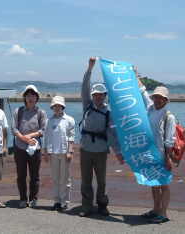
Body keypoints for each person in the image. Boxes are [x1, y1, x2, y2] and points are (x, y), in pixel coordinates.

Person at [79, 57, 123, 217]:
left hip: (101, 150)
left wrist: (118, 152)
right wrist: (90, 68)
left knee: (102, 181)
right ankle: (86, 206)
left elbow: (113, 134)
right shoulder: (87, 105)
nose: (98, 97)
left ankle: (102, 205)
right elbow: (84, 87)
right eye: (95, 95)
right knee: (86, 180)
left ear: (105, 96)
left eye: (101, 95)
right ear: (93, 96)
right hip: (85, 149)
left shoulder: (109, 112)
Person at [137, 75, 176, 224]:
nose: (158, 99)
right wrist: (135, 74)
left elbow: (169, 140)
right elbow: (142, 92)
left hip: (162, 155)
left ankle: (164, 214)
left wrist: (168, 158)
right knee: (154, 183)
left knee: (164, 184)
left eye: (161, 98)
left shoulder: (168, 116)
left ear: (166, 100)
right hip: (150, 154)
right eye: (156, 97)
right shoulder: (150, 109)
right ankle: (155, 210)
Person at [12, 85, 47, 209]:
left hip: (35, 149)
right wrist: (23, 138)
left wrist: (29, 136)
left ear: (37, 98)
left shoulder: (41, 112)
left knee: (34, 175)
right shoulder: (18, 111)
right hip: (20, 148)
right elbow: (14, 128)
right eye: (28, 95)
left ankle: (33, 198)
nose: (30, 98)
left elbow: (43, 130)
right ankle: (22, 199)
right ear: (24, 97)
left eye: (33, 95)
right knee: (21, 175)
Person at [43, 96, 75, 212]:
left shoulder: (69, 120)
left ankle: (64, 201)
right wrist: (45, 152)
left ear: (63, 106)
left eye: (59, 106)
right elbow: (46, 137)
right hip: (53, 153)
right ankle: (56, 201)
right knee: (55, 178)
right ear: (52, 107)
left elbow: (71, 137)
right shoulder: (49, 120)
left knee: (65, 179)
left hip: (64, 152)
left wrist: (70, 151)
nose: (57, 108)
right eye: (55, 106)